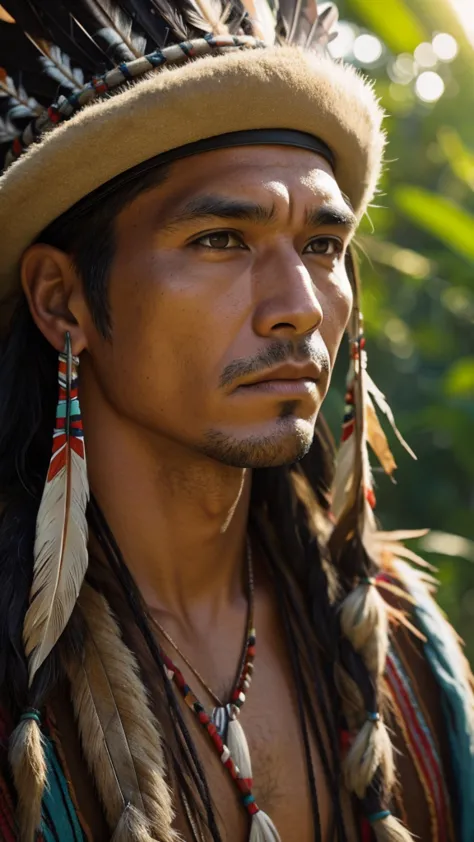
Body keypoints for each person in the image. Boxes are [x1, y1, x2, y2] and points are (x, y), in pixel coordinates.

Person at [0, 1, 472, 841]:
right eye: (221, 240)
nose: (297, 308)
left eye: (322, 247)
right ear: (61, 300)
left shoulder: (397, 652)